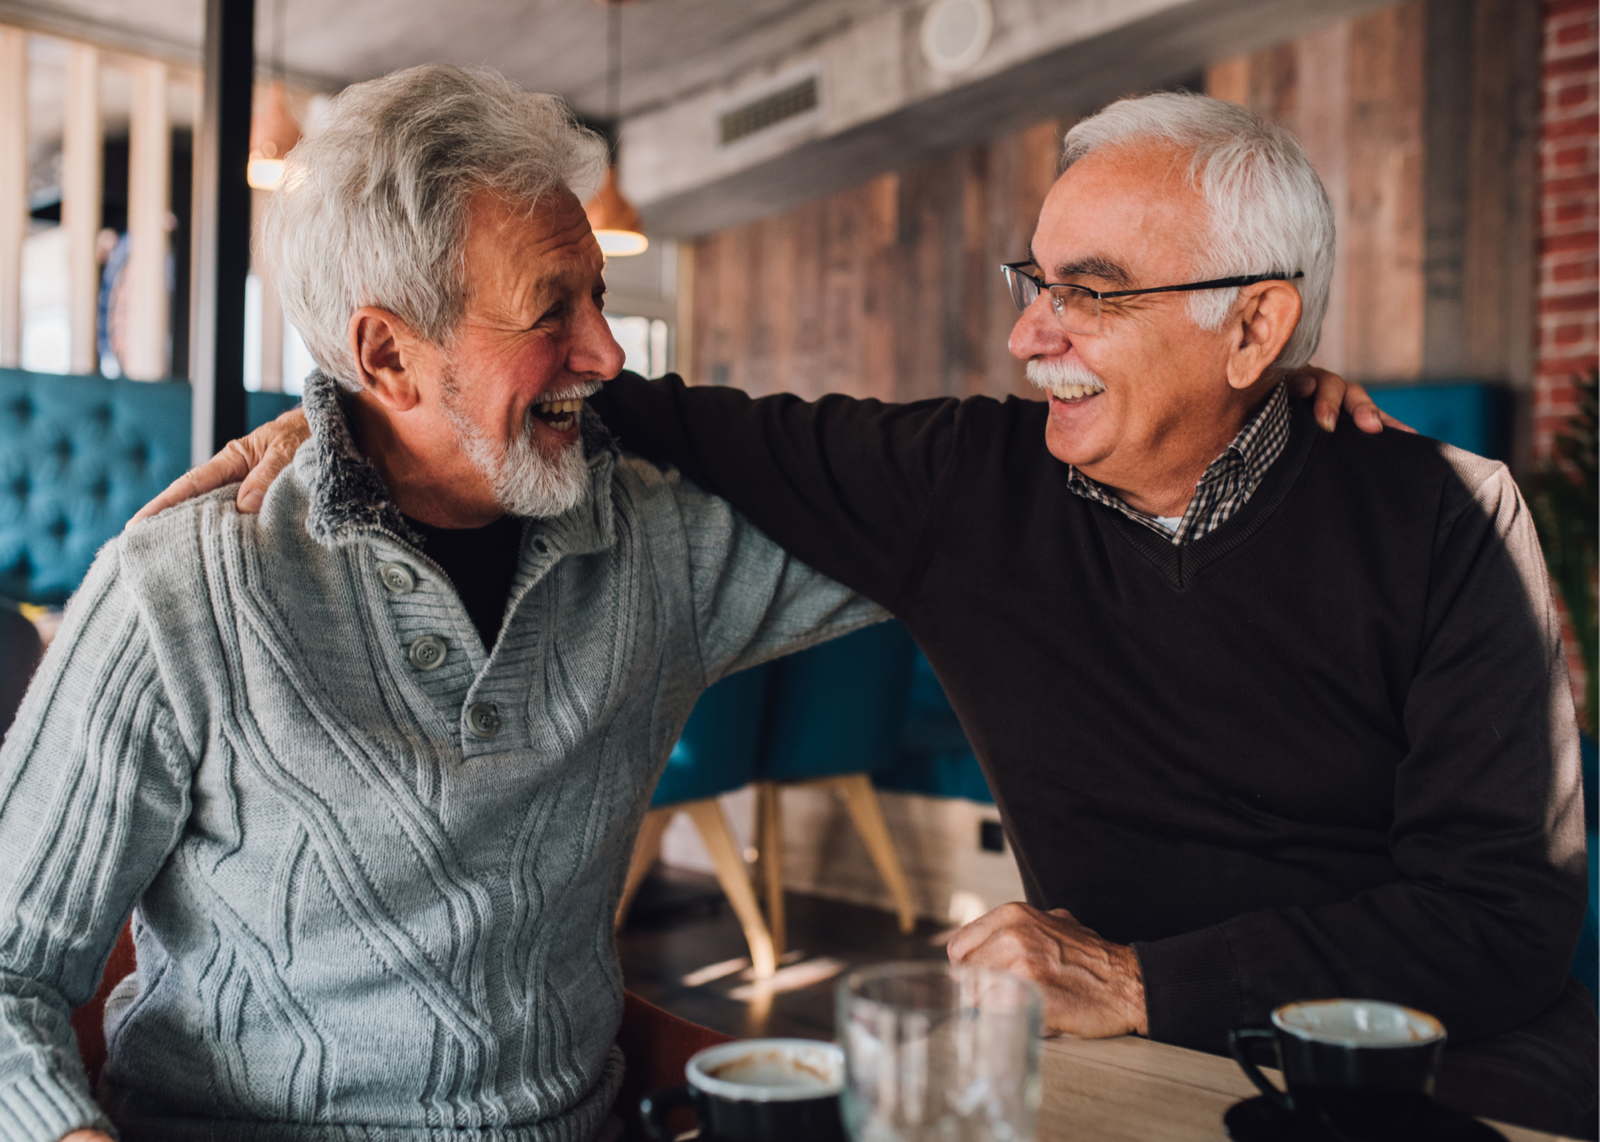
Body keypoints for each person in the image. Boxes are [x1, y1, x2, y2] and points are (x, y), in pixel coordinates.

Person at [189, 92, 1597, 1136]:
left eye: (1091, 296)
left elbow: (1506, 922)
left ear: (1256, 329)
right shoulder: (969, 486)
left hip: (1446, 1075)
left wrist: (1134, 977)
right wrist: (337, 427)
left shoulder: (1453, 515)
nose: (1030, 335)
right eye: (1033, 281)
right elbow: (612, 395)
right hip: (1118, 1078)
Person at [0, 65, 884, 1142]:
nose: (607, 355)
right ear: (386, 354)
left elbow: (929, 530)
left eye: (597, 295)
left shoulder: (661, 545)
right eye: (549, 309)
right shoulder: (182, 587)